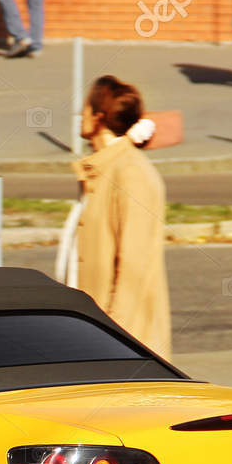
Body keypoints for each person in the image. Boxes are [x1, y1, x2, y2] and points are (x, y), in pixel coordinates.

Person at [70, 75, 171, 359]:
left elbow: (133, 269)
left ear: (99, 117)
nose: (81, 116)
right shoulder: (100, 172)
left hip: (122, 348)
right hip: (95, 339)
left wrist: (112, 342)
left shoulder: (130, 175)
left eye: (86, 109)